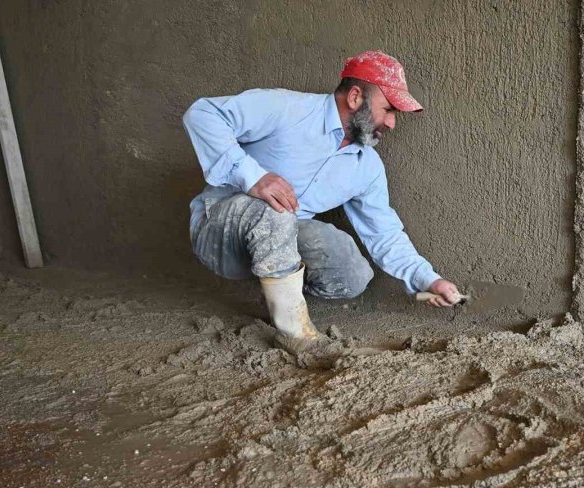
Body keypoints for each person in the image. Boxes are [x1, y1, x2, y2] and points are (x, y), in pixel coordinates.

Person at [182, 50, 463, 340]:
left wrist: (428, 279)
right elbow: (203, 114)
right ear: (355, 97)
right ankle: (296, 336)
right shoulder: (287, 108)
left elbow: (384, 233)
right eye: (388, 109)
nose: (391, 123)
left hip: (281, 237)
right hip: (220, 233)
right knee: (275, 212)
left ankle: (277, 292)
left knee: (353, 275)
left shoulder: (366, 166)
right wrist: (253, 177)